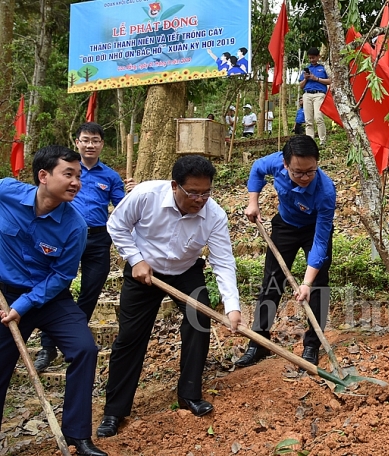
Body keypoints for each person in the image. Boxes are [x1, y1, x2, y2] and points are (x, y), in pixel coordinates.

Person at [97, 155, 241, 437]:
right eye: (193, 192)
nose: (200, 199)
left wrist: (233, 306)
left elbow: (223, 261)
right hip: (144, 271)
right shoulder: (146, 195)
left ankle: (189, 394)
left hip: (186, 271)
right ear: (175, 186)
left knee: (199, 323)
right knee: (130, 338)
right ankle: (114, 410)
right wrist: (135, 259)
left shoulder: (214, 214)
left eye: (206, 192)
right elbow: (117, 225)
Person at [0, 146, 107, 456]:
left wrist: (23, 306)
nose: (76, 182)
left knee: (85, 349)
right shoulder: (7, 191)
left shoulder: (75, 226)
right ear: (44, 176)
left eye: (79, 176)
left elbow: (61, 277)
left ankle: (78, 436)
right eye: (68, 174)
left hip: (49, 298)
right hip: (5, 295)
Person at [34, 122, 135, 373]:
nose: (90, 145)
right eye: (85, 140)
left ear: (102, 144)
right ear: (77, 142)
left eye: (96, 140)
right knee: (56, 289)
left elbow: (122, 208)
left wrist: (133, 193)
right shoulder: (64, 170)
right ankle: (47, 346)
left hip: (98, 240)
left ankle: (73, 338)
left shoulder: (110, 176)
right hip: (63, 239)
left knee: (91, 291)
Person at [235, 135, 335, 367]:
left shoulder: (326, 191)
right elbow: (257, 169)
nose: (304, 178)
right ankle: (258, 343)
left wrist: (306, 284)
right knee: (272, 281)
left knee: (319, 285)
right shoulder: (275, 162)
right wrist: (253, 202)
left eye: (310, 171)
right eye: (297, 172)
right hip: (286, 225)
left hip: (314, 230)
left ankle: (312, 345)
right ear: (285, 164)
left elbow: (320, 242)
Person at [299, 47, 330, 146]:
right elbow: (301, 86)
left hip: (319, 94)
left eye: (313, 58)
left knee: (318, 117)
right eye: (310, 58)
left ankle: (322, 141)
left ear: (318, 57)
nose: (311, 60)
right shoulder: (307, 69)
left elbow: (330, 81)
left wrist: (316, 78)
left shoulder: (323, 68)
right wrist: (306, 79)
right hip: (307, 94)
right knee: (308, 120)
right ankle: (310, 142)